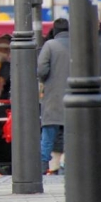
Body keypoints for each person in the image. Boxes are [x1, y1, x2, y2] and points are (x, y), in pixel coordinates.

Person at [37, 18, 70, 175]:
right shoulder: (78, 45)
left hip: (53, 96)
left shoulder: (49, 45)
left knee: (48, 134)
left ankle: (43, 165)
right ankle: (67, 164)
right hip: (74, 96)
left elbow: (41, 70)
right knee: (72, 133)